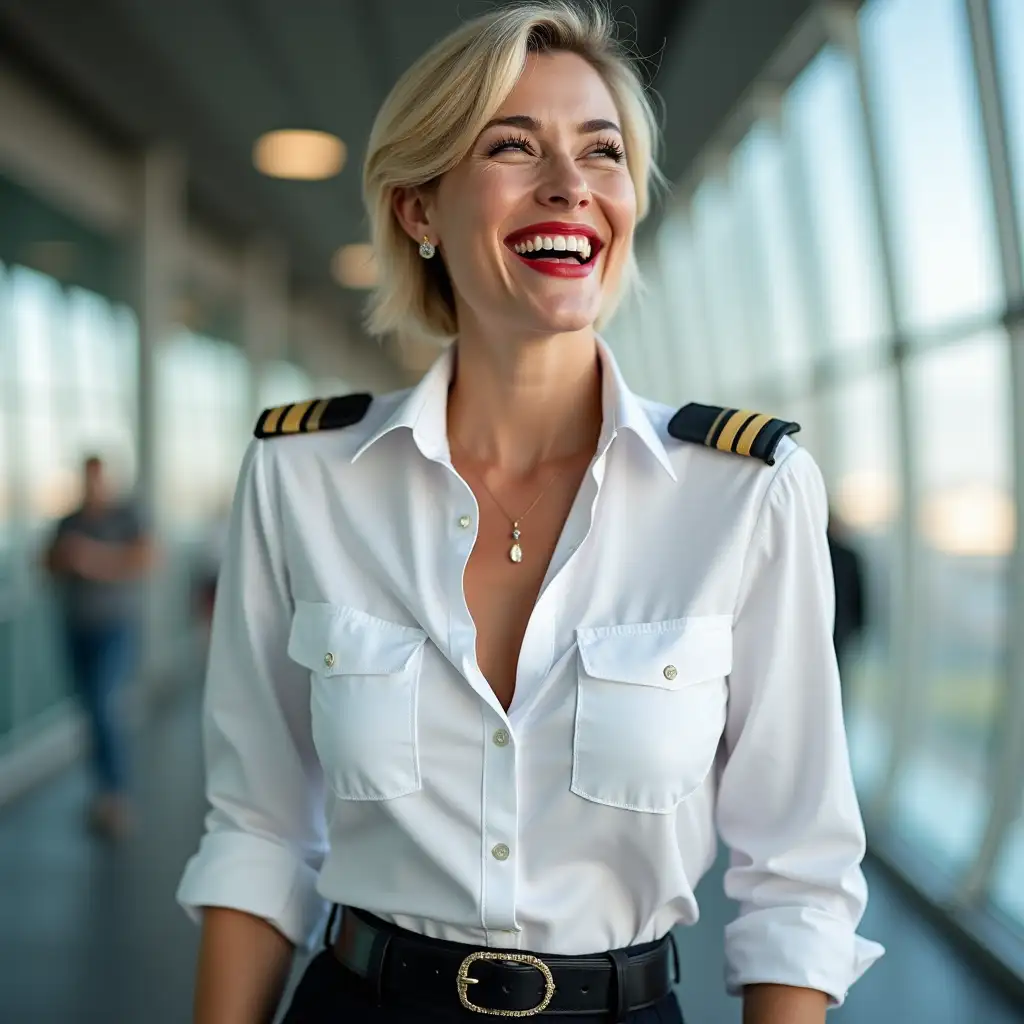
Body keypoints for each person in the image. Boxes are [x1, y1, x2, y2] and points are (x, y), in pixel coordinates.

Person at [177, 4, 883, 1022]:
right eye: (512, 146)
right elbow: (255, 825)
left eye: (602, 152)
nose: (570, 186)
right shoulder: (303, 473)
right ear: (418, 207)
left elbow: (797, 871)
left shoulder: (744, 490)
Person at [45, 454, 157, 838]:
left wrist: (93, 559)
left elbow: (146, 558)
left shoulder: (126, 516)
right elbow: (45, 564)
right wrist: (65, 559)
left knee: (104, 706)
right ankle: (104, 793)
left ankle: (115, 795)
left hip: (115, 626)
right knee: (91, 710)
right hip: (76, 627)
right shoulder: (69, 521)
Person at [827, 511, 867, 714]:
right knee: (836, 687)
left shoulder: (817, 555)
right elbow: (861, 600)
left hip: (827, 630)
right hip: (841, 631)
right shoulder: (849, 556)